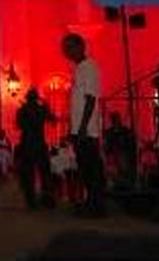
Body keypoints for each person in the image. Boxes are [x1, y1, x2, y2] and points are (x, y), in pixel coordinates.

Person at [62, 33, 106, 217]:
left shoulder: (89, 67)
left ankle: (97, 206)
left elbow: (90, 99)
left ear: (80, 46)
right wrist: (73, 127)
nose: (66, 51)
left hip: (87, 131)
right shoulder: (79, 68)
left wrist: (82, 127)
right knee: (85, 168)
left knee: (91, 168)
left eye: (69, 47)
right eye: (64, 48)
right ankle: (91, 203)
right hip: (79, 129)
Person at [16, 88, 56, 210]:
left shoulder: (23, 110)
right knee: (44, 173)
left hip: (28, 143)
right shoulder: (40, 109)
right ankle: (46, 199)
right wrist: (45, 106)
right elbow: (52, 118)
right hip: (38, 143)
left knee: (29, 174)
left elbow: (19, 125)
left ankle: (32, 200)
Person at [104, 113, 137, 191]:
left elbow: (131, 144)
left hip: (124, 154)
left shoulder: (125, 131)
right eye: (114, 120)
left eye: (117, 120)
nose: (116, 122)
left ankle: (125, 182)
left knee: (123, 161)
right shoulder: (109, 133)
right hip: (115, 155)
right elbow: (108, 147)